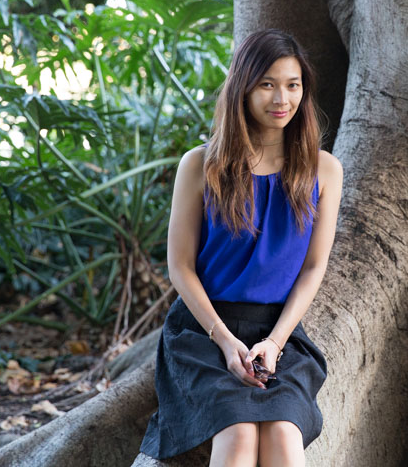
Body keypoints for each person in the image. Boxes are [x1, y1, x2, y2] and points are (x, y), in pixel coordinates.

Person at [139, 29, 343, 466]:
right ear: (243, 88)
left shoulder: (324, 169)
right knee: (237, 437)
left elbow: (313, 268)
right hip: (205, 332)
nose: (281, 98)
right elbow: (180, 266)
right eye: (267, 84)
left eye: (293, 85)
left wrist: (274, 341)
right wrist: (226, 342)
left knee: (285, 440)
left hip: (279, 335)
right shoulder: (201, 165)